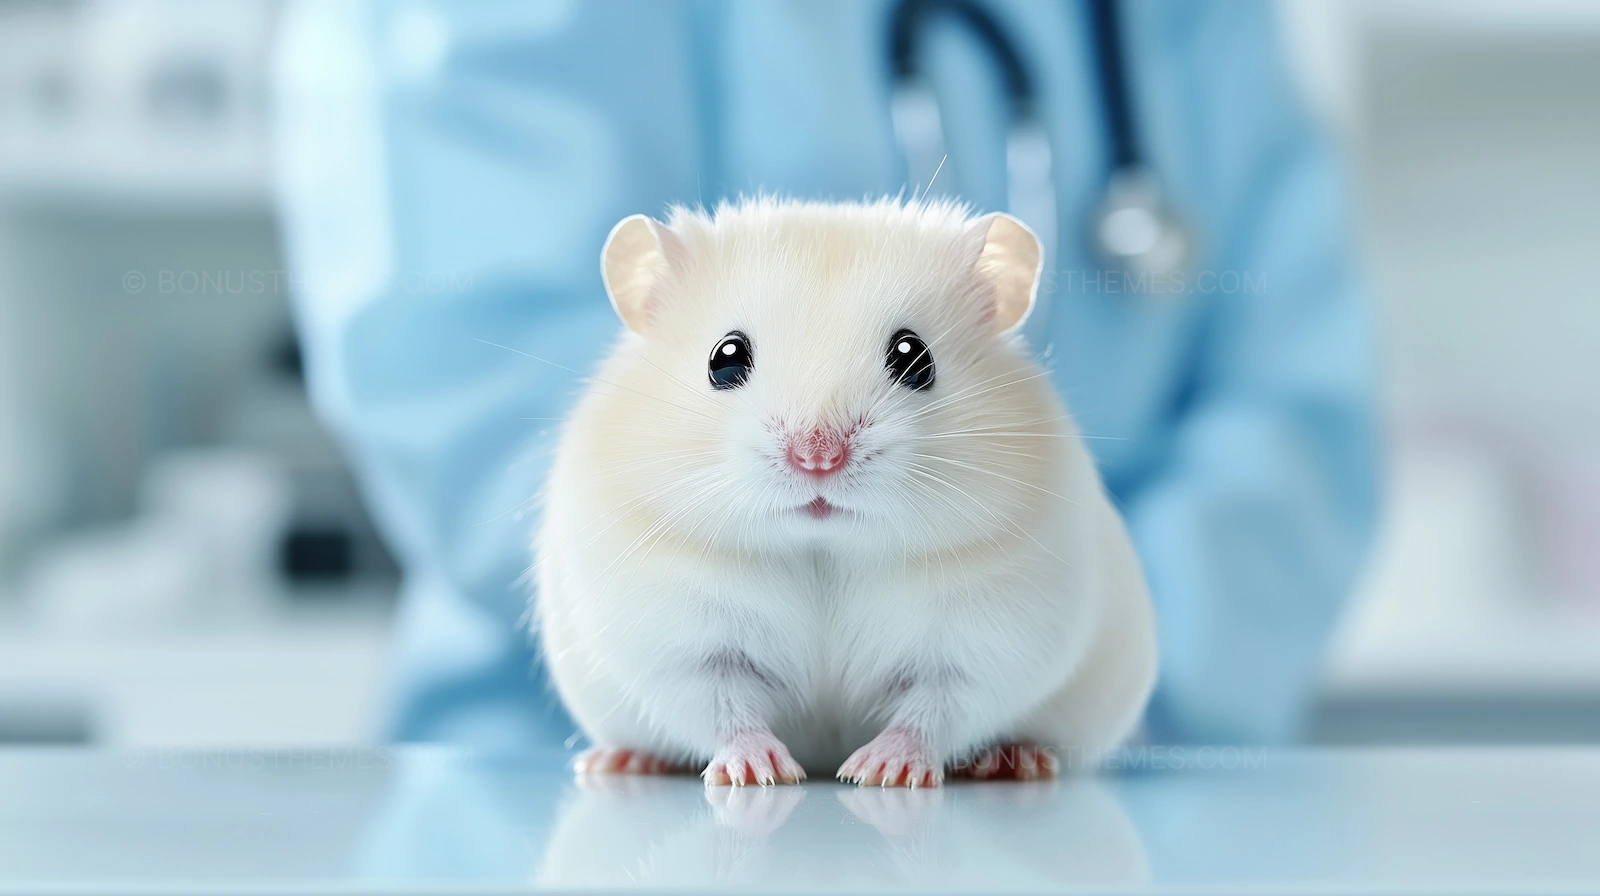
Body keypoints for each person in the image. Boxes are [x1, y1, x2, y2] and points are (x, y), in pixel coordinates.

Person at [273, 0, 1378, 752]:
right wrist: (775, 701)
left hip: (1101, 788)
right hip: (591, 783)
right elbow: (479, 370)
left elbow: (1293, 400)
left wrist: (1038, 687)